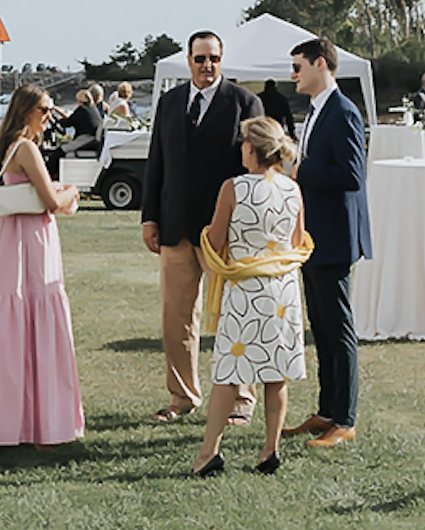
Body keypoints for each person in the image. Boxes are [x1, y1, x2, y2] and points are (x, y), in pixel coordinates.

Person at [141, 29, 263, 424]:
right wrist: (149, 217)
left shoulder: (245, 103)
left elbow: (260, 167)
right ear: (188, 61)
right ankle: (182, 396)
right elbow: (156, 161)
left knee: (235, 316)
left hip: (226, 233)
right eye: (200, 59)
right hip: (175, 228)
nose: (207, 65)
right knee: (175, 318)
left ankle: (241, 401)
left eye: (213, 58)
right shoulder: (170, 102)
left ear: (221, 61)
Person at [0, 84, 83, 447]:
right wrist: (72, 191)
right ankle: (40, 423)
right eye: (45, 110)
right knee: (35, 321)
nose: (50, 116)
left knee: (15, 325)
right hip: (29, 241)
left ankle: (14, 418)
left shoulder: (12, 144)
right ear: (26, 110)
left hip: (12, 239)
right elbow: (48, 201)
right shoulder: (27, 147)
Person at [189, 118, 308, 477]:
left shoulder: (234, 188)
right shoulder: (292, 188)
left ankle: (209, 452)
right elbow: (299, 239)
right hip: (283, 289)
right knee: (276, 373)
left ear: (252, 148)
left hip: (246, 290)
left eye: (243, 142)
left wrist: (206, 237)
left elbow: (215, 239)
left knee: (229, 371)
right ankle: (269, 450)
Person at [283, 36, 371, 449]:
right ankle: (327, 410)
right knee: (321, 326)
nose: (293, 75)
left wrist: (302, 169)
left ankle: (346, 419)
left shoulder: (344, 111)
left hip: (335, 238)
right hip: (313, 238)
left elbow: (352, 176)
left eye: (298, 66)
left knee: (338, 329)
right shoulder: (316, 110)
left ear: (321, 64)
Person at [60, 89, 104, 156]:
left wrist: (57, 120)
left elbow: (67, 123)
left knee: (59, 151)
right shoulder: (93, 108)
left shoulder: (82, 109)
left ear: (79, 100)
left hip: (86, 139)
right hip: (93, 138)